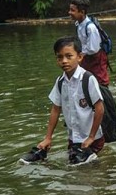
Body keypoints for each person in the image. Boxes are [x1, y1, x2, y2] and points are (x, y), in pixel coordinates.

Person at [20, 36, 104, 166]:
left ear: (80, 57)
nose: (64, 61)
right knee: (74, 169)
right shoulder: (60, 82)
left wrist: (91, 137)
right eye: (60, 57)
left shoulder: (88, 79)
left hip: (93, 138)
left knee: (92, 169)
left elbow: (99, 108)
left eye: (69, 56)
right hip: (73, 138)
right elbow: (55, 109)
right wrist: (48, 138)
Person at [68, 0, 110, 86]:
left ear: (82, 12)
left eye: (73, 10)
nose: (69, 13)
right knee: (86, 82)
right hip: (86, 57)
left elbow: (93, 49)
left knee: (100, 83)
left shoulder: (90, 28)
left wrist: (80, 55)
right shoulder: (78, 24)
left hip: (95, 59)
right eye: (70, 10)